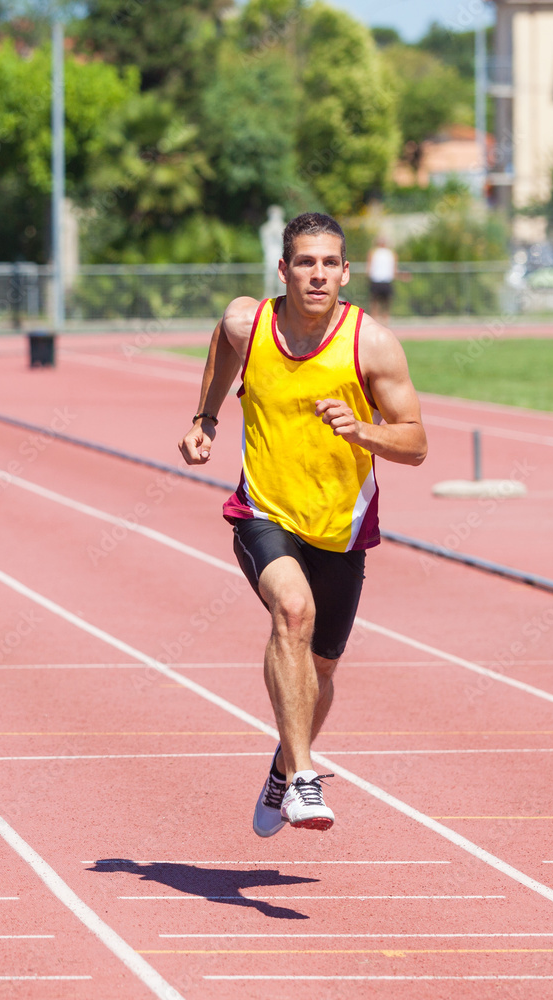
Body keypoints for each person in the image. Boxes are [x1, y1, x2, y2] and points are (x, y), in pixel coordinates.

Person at [178, 212, 426, 836]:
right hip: (264, 510)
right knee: (291, 610)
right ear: (283, 269)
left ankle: (283, 766)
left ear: (346, 272)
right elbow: (223, 343)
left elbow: (417, 442)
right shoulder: (249, 321)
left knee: (321, 672)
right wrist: (206, 417)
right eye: (305, 263)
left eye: (329, 264)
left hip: (340, 528)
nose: (317, 275)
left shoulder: (372, 344)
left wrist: (361, 429)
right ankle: (307, 779)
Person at [366, 237, 397, 324]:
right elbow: (369, 266)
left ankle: (385, 322)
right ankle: (374, 321)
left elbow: (394, 267)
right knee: (375, 303)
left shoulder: (390, 253)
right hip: (376, 279)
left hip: (386, 280)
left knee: (385, 303)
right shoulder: (374, 252)